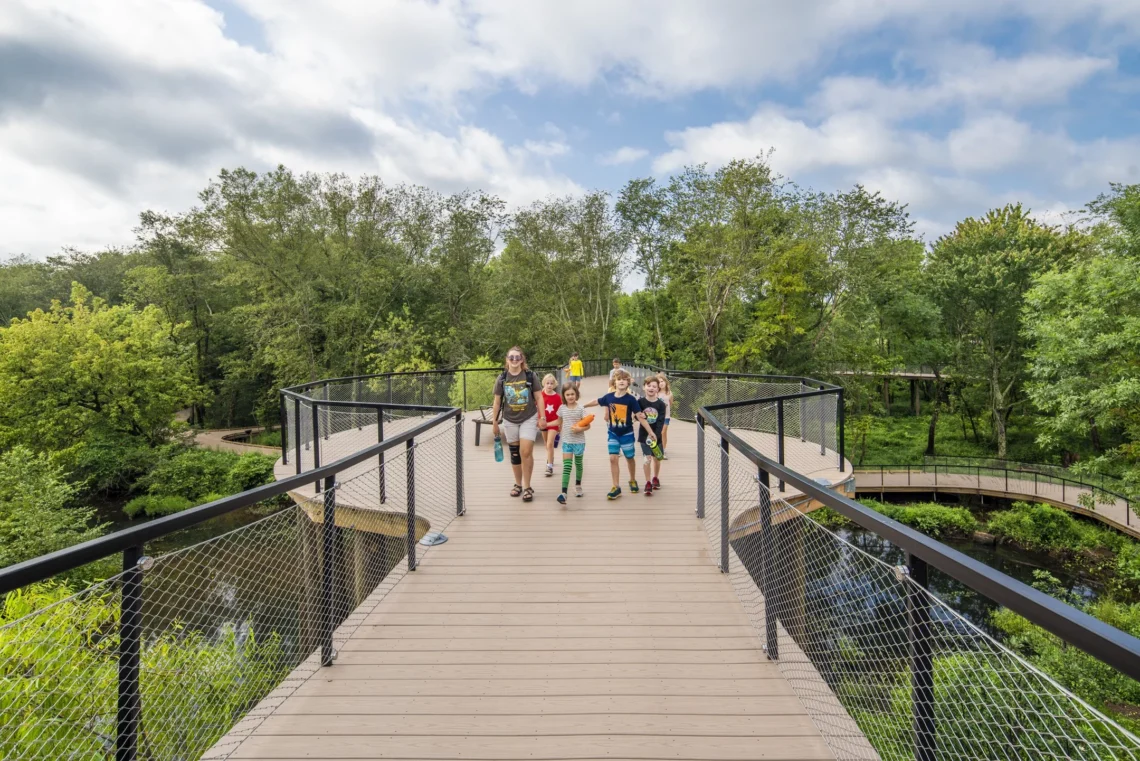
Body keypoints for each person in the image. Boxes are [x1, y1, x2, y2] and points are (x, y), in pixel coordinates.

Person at [585, 368, 657, 500]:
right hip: (613, 433)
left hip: (627, 434)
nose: (621, 382)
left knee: (630, 458)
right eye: (619, 380)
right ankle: (616, 486)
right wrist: (583, 406)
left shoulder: (631, 400)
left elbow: (640, 417)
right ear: (614, 382)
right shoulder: (609, 397)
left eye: (624, 380)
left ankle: (632, 479)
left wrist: (650, 432)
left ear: (628, 382)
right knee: (613, 458)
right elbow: (597, 401)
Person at [491, 346, 545, 502]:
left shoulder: (530, 376)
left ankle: (528, 486)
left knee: (526, 451)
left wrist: (542, 417)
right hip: (509, 419)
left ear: (522, 360)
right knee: (515, 453)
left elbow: (539, 397)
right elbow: (496, 402)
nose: (514, 360)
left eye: (517, 357)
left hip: (528, 417)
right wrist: (494, 422)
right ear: (507, 360)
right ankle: (518, 484)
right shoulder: (502, 378)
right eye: (511, 357)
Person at [554, 384, 588, 504]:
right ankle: (564, 493)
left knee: (578, 464)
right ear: (564, 395)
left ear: (576, 394)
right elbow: (558, 421)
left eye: (572, 394)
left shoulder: (581, 409)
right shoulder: (562, 408)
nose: (570, 396)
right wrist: (546, 424)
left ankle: (578, 485)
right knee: (567, 467)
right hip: (567, 441)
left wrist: (580, 429)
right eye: (567, 394)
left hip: (579, 442)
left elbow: (588, 425)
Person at [638, 376, 667, 495]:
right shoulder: (640, 402)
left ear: (657, 389)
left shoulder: (661, 404)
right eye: (649, 386)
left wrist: (656, 434)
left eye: (654, 386)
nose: (651, 388)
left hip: (657, 435)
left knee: (657, 458)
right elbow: (636, 416)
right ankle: (648, 482)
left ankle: (655, 477)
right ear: (644, 387)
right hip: (644, 435)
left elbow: (661, 420)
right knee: (647, 459)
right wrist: (638, 416)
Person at [539, 373, 562, 478]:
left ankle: (549, 466)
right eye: (547, 383)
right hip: (543, 423)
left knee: (550, 444)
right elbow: (536, 408)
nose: (549, 385)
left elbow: (560, 412)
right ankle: (550, 458)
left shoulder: (557, 397)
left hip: (553, 423)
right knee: (546, 444)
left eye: (551, 383)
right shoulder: (540, 395)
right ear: (544, 383)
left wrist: (560, 425)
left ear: (554, 385)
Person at [656, 373, 673, 459]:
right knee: (657, 433)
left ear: (665, 382)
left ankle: (663, 450)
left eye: (662, 381)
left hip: (666, 416)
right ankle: (657, 449)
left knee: (663, 432)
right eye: (658, 382)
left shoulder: (669, 393)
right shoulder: (656, 393)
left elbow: (670, 403)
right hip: (656, 416)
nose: (661, 383)